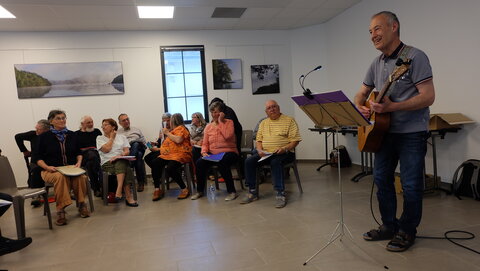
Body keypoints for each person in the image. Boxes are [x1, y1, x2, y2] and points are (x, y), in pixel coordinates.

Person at [354, 11, 435, 252]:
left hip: (411, 132)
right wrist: (362, 106)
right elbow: (361, 92)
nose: (372, 36)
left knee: (410, 185)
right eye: (370, 32)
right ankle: (389, 225)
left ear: (394, 27)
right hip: (383, 132)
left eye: (377, 29)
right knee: (381, 179)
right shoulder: (376, 63)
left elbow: (428, 96)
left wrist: (393, 106)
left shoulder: (415, 57)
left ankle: (407, 230)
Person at [241, 100, 301, 208]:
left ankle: (280, 193)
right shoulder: (263, 123)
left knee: (275, 161)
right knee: (249, 161)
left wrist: (285, 148)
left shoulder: (289, 120)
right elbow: (258, 140)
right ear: (266, 112)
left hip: (285, 152)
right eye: (269, 108)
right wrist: (259, 150)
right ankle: (252, 191)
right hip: (266, 153)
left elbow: (295, 140)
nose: (272, 109)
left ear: (278, 108)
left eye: (274, 107)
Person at [35, 109, 90, 226]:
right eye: (58, 118)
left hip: (70, 168)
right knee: (61, 177)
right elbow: (37, 158)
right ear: (51, 121)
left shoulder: (72, 135)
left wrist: (79, 163)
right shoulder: (43, 137)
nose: (62, 120)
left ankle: (81, 204)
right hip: (50, 169)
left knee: (81, 177)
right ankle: (60, 209)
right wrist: (47, 167)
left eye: (63, 118)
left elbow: (79, 152)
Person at [191, 101, 239, 201]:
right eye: (212, 112)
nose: (213, 115)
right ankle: (200, 191)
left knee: (222, 161)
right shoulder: (208, 126)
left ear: (221, 113)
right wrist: (204, 152)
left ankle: (232, 191)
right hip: (213, 154)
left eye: (216, 112)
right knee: (200, 162)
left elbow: (227, 136)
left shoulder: (229, 123)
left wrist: (221, 121)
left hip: (229, 152)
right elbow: (205, 143)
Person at [150, 113, 192, 201]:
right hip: (169, 154)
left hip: (181, 154)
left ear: (174, 121)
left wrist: (167, 133)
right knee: (155, 163)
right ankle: (157, 189)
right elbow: (166, 145)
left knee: (170, 168)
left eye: (170, 120)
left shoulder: (182, 129)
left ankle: (184, 189)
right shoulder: (173, 131)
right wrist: (157, 148)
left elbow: (178, 140)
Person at [97, 118, 138, 207]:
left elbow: (127, 151)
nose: (103, 127)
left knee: (121, 162)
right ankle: (128, 196)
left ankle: (119, 190)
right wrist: (112, 138)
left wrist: (119, 156)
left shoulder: (122, 137)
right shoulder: (99, 138)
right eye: (102, 125)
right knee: (126, 168)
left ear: (113, 127)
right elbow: (106, 149)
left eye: (106, 125)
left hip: (120, 160)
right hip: (107, 163)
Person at [14, 119, 50, 206]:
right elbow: (17, 136)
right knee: (35, 170)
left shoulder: (50, 136)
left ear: (46, 130)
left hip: (47, 160)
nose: (36, 130)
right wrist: (24, 150)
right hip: (36, 160)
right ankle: (37, 195)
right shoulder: (33, 134)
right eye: (36, 128)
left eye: (38, 129)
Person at [117, 114, 147, 192]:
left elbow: (145, 142)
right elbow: (118, 146)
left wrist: (151, 146)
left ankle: (130, 165)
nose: (126, 121)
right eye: (124, 120)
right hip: (127, 151)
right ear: (120, 123)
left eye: (127, 119)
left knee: (136, 144)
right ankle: (140, 183)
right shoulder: (118, 133)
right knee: (138, 156)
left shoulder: (136, 129)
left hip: (139, 147)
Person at [76, 116, 102, 197]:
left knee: (90, 163)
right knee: (91, 155)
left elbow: (101, 144)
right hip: (83, 156)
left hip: (97, 155)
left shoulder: (97, 131)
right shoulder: (76, 134)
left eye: (92, 122)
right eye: (88, 123)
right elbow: (76, 149)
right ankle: (100, 180)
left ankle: (96, 189)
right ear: (82, 124)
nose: (91, 124)